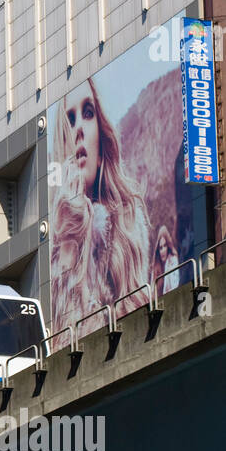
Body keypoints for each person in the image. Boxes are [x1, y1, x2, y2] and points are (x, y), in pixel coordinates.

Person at [49, 78, 151, 336]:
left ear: (101, 136)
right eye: (70, 120)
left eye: (88, 113)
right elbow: (66, 339)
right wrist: (71, 234)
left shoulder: (128, 222)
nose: (79, 130)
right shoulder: (56, 237)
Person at [153, 224, 180, 296]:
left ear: (168, 246)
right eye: (160, 248)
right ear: (158, 250)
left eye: (165, 246)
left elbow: (175, 286)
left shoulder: (173, 261)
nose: (163, 250)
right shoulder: (155, 268)